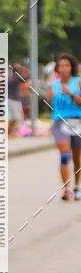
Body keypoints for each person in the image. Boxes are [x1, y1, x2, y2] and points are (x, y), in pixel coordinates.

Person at [45, 53, 81, 200]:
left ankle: (77, 186)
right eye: (61, 66)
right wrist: (49, 96)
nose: (64, 68)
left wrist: (71, 94)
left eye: (67, 65)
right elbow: (49, 101)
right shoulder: (53, 84)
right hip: (60, 122)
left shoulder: (78, 82)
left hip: (77, 122)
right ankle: (67, 189)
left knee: (77, 159)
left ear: (72, 67)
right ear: (57, 69)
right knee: (65, 154)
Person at [8, 63, 30, 137]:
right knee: (13, 117)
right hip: (14, 100)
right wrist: (22, 67)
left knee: (13, 117)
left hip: (12, 100)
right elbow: (28, 73)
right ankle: (11, 132)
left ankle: (11, 132)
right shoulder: (16, 77)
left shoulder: (11, 77)